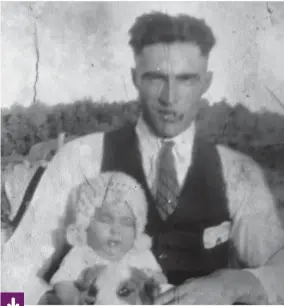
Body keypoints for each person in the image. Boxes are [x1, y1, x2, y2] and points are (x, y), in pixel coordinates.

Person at [2, 11, 284, 305]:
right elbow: (9, 276)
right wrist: (54, 301)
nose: (170, 97)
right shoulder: (80, 158)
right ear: (135, 78)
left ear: (206, 82)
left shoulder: (239, 172)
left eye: (186, 79)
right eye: (156, 78)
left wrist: (243, 282)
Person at [37, 171, 167, 304]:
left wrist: (154, 280)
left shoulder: (141, 256)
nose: (115, 230)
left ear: (137, 230)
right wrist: (75, 298)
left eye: (126, 222)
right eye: (106, 219)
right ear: (87, 223)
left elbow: (161, 284)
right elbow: (62, 284)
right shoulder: (82, 254)